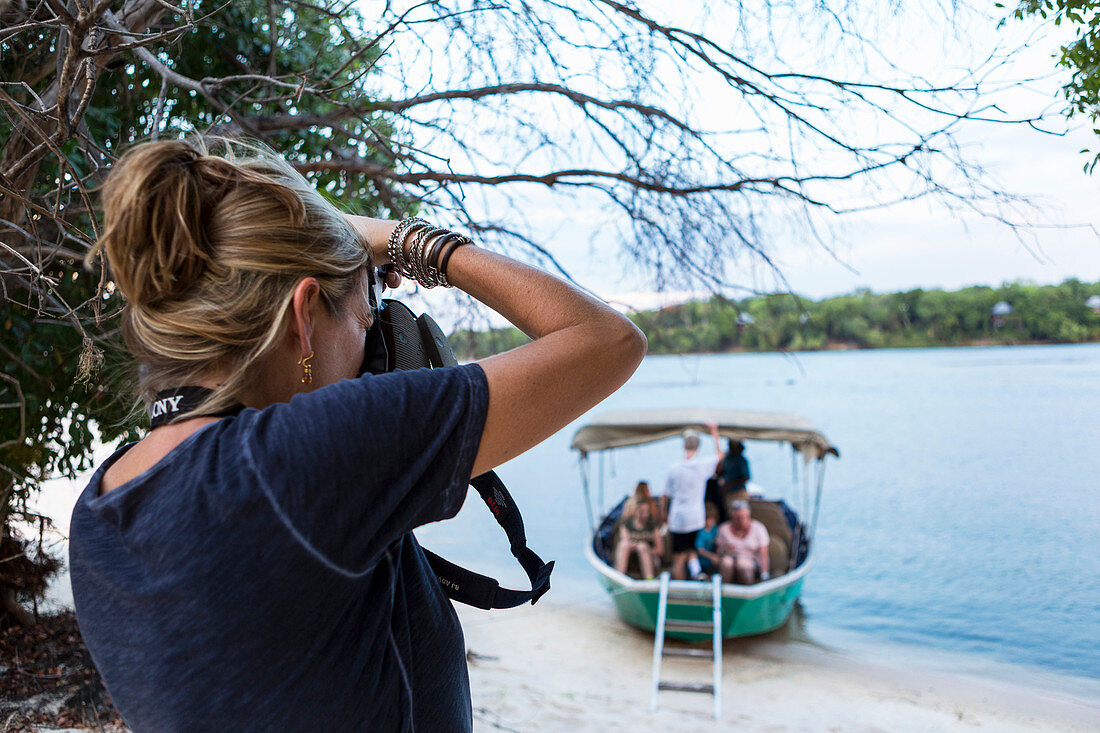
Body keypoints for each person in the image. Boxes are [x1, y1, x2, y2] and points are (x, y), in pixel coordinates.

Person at [67, 138, 646, 731]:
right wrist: (407, 239)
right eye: (366, 321)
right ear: (303, 313)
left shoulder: (98, 514)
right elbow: (609, 341)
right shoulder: (299, 460)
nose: (373, 344)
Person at [661, 426, 720, 580]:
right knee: (691, 550)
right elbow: (719, 456)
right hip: (695, 518)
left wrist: (663, 515)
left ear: (683, 446)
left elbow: (665, 496)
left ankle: (681, 586)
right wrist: (714, 433)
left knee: (679, 557)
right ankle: (696, 574)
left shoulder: (673, 468)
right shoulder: (702, 466)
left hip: (678, 519)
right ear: (698, 446)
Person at [717, 500, 770, 585]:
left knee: (742, 564)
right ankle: (726, 590)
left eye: (744, 517)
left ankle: (749, 589)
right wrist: (725, 550)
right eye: (738, 518)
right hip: (730, 559)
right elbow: (718, 551)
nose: (741, 520)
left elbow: (763, 554)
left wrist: (765, 574)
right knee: (726, 562)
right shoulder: (723, 529)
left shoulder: (759, 528)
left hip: (750, 561)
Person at [613, 499, 662, 579]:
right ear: (635, 511)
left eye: (647, 511)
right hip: (630, 557)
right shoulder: (626, 525)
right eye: (642, 511)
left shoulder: (653, 527)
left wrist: (645, 548)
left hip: (650, 558)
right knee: (624, 544)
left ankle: (649, 578)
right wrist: (637, 546)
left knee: (642, 546)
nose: (645, 514)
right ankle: (619, 577)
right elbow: (625, 541)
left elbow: (660, 550)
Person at [693, 502, 721, 580]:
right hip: (702, 561)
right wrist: (712, 556)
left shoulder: (715, 529)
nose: (710, 522)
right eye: (707, 519)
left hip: (712, 562)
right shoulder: (701, 532)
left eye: (712, 519)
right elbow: (700, 550)